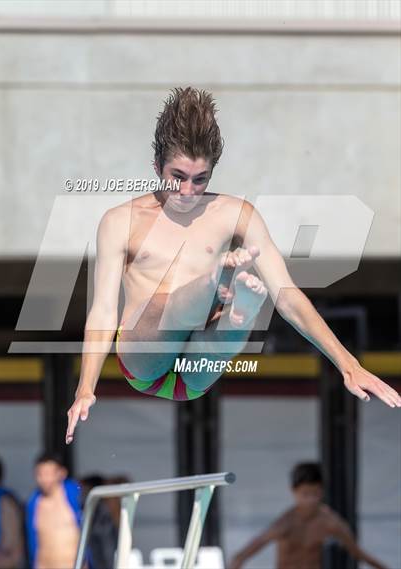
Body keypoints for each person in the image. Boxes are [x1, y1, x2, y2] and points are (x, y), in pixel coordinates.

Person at [66, 86, 400, 444]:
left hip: (195, 371)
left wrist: (349, 365)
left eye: (201, 179)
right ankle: (215, 282)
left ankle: (237, 302)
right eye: (176, 176)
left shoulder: (235, 215)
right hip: (144, 359)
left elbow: (287, 298)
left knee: (238, 321)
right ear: (156, 166)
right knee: (165, 302)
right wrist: (85, 387)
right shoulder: (120, 221)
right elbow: (102, 311)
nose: (188, 191)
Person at [229, 462, 389, 569]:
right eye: (305, 494)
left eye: (316, 493)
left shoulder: (330, 522)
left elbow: (358, 553)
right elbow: (245, 553)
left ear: (322, 491)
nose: (311, 500)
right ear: (294, 492)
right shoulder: (285, 523)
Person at [26, 452, 83, 569]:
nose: (44, 479)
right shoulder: (34, 504)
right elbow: (33, 544)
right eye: (40, 474)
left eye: (48, 473)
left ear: (62, 473)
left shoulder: (76, 497)